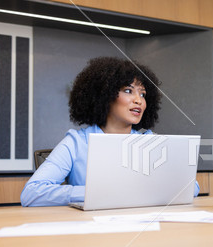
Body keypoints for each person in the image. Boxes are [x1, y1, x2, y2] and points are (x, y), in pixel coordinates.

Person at [21, 56, 199, 207]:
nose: (139, 100)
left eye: (143, 94)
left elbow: (192, 187)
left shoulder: (150, 142)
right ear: (104, 95)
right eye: (129, 91)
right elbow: (31, 193)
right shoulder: (76, 142)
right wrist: (97, 193)